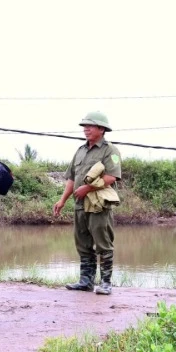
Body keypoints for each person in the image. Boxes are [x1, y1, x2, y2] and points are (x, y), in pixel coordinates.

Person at [53, 111, 122, 295]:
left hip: (98, 204)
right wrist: (62, 200)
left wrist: (88, 188)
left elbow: (111, 176)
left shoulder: (110, 150)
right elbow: (71, 179)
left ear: (101, 129)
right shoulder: (80, 150)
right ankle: (86, 282)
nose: (86, 129)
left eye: (90, 126)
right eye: (84, 126)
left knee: (103, 243)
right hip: (79, 204)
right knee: (82, 242)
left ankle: (106, 283)